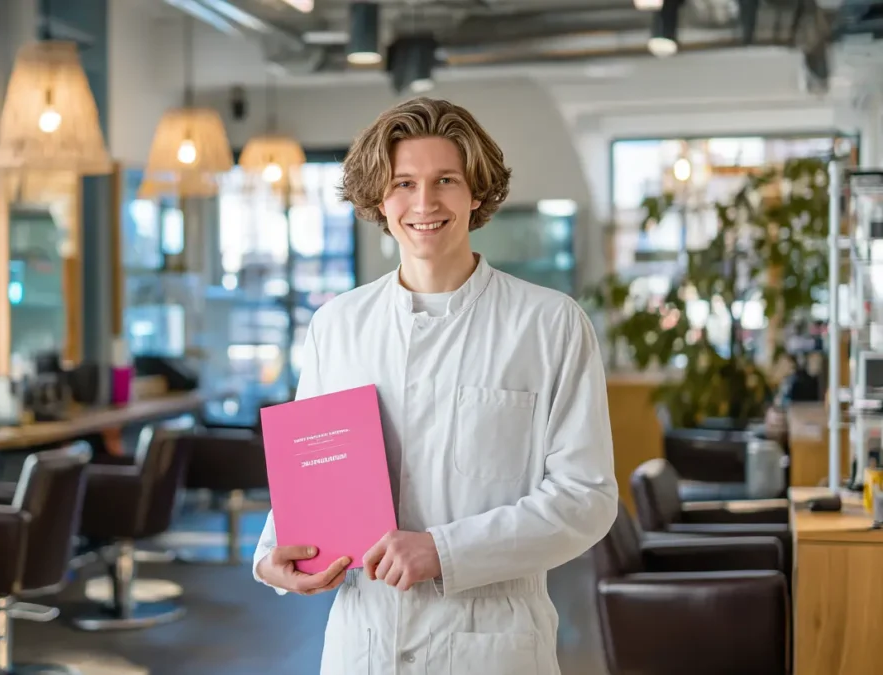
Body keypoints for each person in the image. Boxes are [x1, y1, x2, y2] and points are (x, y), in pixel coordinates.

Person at [252, 97, 618, 674]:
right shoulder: (337, 325)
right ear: (378, 199)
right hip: (361, 644)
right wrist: (272, 556)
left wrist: (444, 551)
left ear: (477, 193)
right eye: (403, 183)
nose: (423, 203)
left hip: (491, 645)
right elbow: (309, 476)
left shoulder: (549, 324)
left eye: (445, 180)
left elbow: (586, 500)